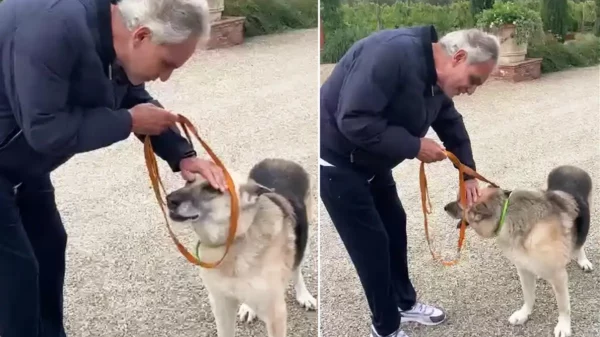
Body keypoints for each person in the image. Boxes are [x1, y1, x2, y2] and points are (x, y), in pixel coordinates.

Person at [0, 0, 228, 336]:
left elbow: (134, 97)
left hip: (20, 162)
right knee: (15, 275)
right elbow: (46, 130)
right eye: (167, 64)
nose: (164, 77)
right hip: (17, 150)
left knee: (48, 245)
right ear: (141, 36)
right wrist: (126, 122)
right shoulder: (52, 28)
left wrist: (183, 155)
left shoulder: (112, 34)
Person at [319, 25, 500, 337]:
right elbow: (353, 118)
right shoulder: (391, 55)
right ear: (457, 58)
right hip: (337, 162)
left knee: (394, 227)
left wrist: (467, 173)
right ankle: (386, 328)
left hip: (372, 161)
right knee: (371, 246)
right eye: (474, 81)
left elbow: (450, 122)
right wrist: (414, 146)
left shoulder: (435, 78)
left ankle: (404, 304)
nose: (471, 90)